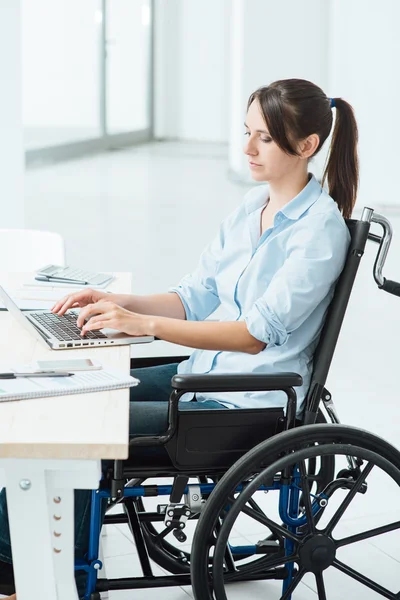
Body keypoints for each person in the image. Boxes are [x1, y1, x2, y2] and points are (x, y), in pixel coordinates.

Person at [0, 77, 359, 599]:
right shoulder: (251, 209)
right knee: (75, 389)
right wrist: (121, 306)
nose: (247, 148)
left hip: (245, 401)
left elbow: (255, 338)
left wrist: (145, 327)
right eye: (246, 132)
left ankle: (21, 572)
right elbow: (195, 295)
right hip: (205, 375)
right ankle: (18, 557)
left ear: (306, 146)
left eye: (263, 138)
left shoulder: (318, 232)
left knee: (74, 424)